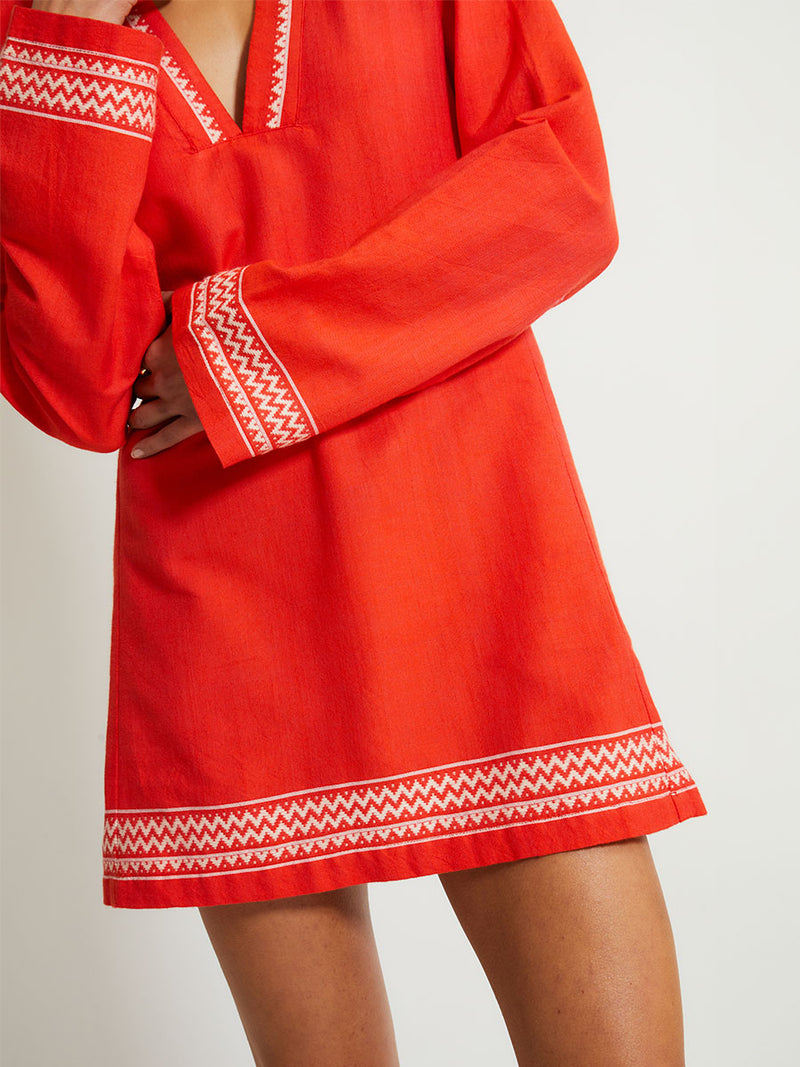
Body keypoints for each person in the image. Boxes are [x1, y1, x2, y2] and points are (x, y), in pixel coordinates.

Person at [0, 0, 708, 1063]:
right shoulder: (52, 37)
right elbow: (77, 385)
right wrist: (68, 29)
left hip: (480, 560)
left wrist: (257, 343)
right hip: (232, 607)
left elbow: (560, 191)